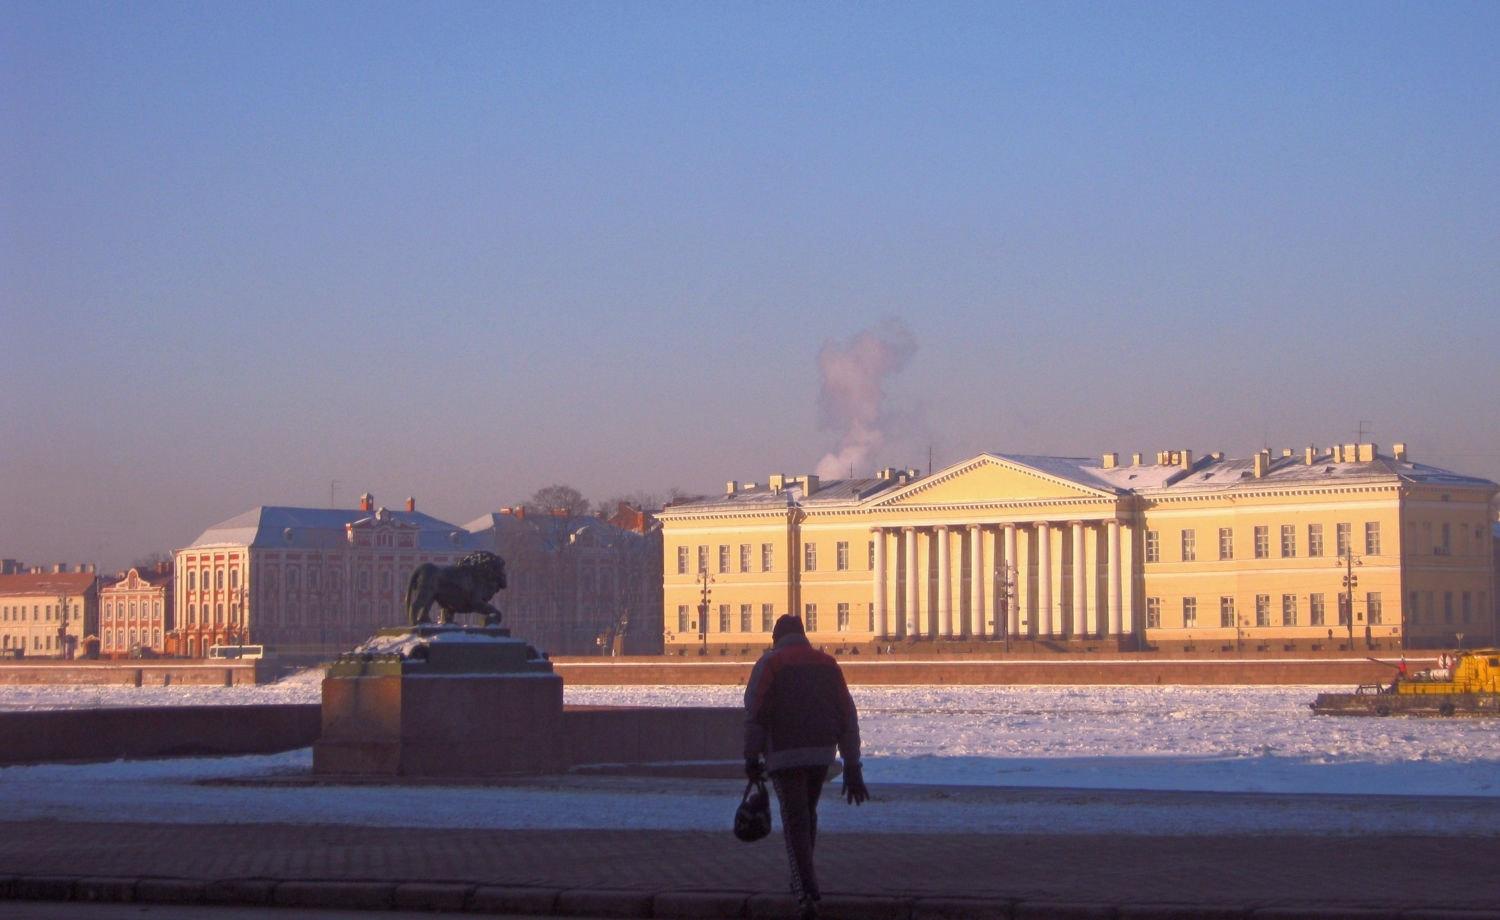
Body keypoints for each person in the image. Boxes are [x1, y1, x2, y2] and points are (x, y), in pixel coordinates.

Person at [744, 614, 868, 920]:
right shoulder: (828, 665)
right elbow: (846, 716)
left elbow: (756, 712)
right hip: (821, 755)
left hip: (785, 755)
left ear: (776, 639)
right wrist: (852, 763)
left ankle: (806, 893)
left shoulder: (770, 664)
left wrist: (751, 757)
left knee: (795, 820)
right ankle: (802, 878)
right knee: (807, 814)